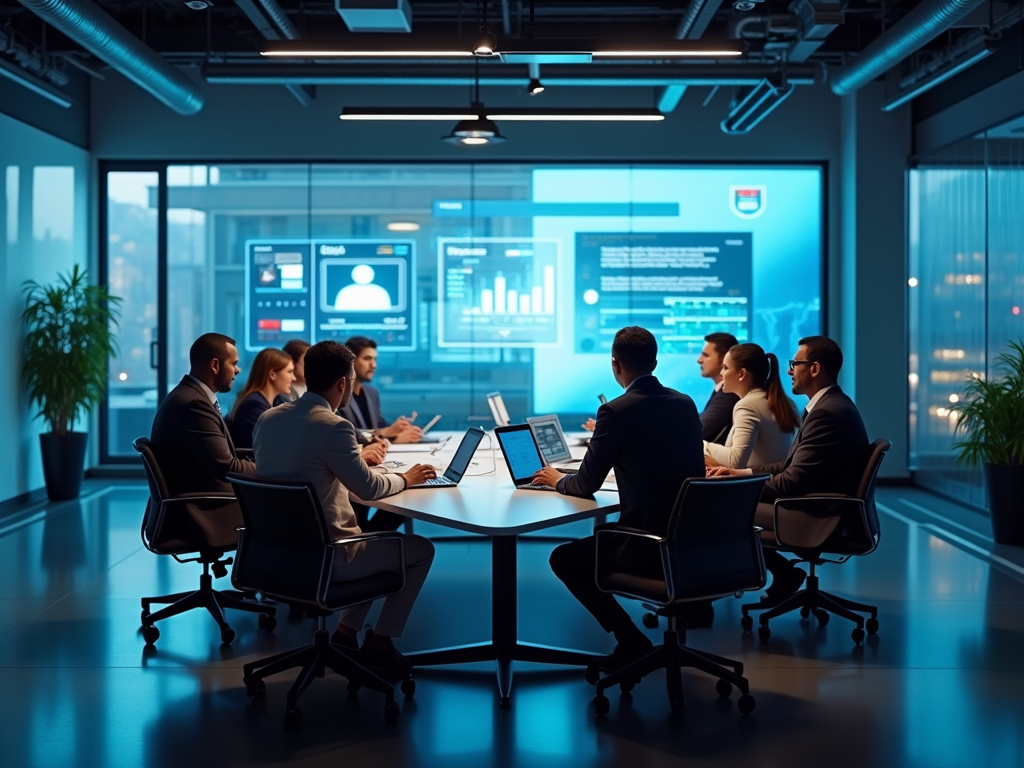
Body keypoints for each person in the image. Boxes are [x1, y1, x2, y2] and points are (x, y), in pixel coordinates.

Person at [252, 341, 437, 673]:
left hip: (278, 555)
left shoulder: (268, 419)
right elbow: (370, 487)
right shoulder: (335, 426)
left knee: (374, 539)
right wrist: (407, 479)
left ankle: (345, 633)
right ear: (343, 383)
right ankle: (380, 643)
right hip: (329, 557)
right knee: (419, 550)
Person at [532, 327, 706, 669]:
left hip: (647, 546)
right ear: (655, 363)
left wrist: (556, 479)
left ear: (615, 365)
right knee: (598, 540)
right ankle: (632, 637)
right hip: (691, 543)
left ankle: (630, 638)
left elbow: (584, 485)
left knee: (564, 558)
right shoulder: (685, 404)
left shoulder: (615, 411)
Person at [710, 336, 869, 601]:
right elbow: (790, 466)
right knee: (728, 504)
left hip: (819, 515)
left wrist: (741, 487)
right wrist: (743, 474)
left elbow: (791, 483)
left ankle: (702, 597)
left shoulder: (826, 414)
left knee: (721, 509)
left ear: (814, 369)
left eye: (795, 363)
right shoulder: (829, 405)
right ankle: (783, 573)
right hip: (823, 505)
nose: (788, 370)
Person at [149, 333, 255, 495]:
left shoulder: (191, 396)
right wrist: (270, 469)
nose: (237, 370)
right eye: (233, 363)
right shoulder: (194, 405)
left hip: (208, 497)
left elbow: (222, 456)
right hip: (210, 506)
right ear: (215, 365)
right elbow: (227, 467)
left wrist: (264, 457)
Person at [704, 343, 800, 470]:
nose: (721, 373)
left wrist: (701, 445)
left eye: (725, 368)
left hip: (756, 487)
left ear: (742, 374)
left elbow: (735, 461)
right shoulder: (785, 402)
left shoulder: (747, 406)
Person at [338, 336, 422, 444]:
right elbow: (348, 435)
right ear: (351, 362)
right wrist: (391, 437)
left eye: (374, 359)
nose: (373, 365)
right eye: (367, 358)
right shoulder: (338, 396)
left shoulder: (372, 393)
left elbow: (380, 426)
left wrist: (399, 429)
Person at [227, 348, 295, 450]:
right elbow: (269, 449)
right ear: (272, 374)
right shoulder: (255, 406)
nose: (293, 378)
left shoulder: (277, 402)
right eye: (289, 372)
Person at [697, 332, 740, 444]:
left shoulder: (728, 395)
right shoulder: (722, 392)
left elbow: (696, 430)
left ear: (724, 359)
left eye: (706, 355)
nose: (699, 360)